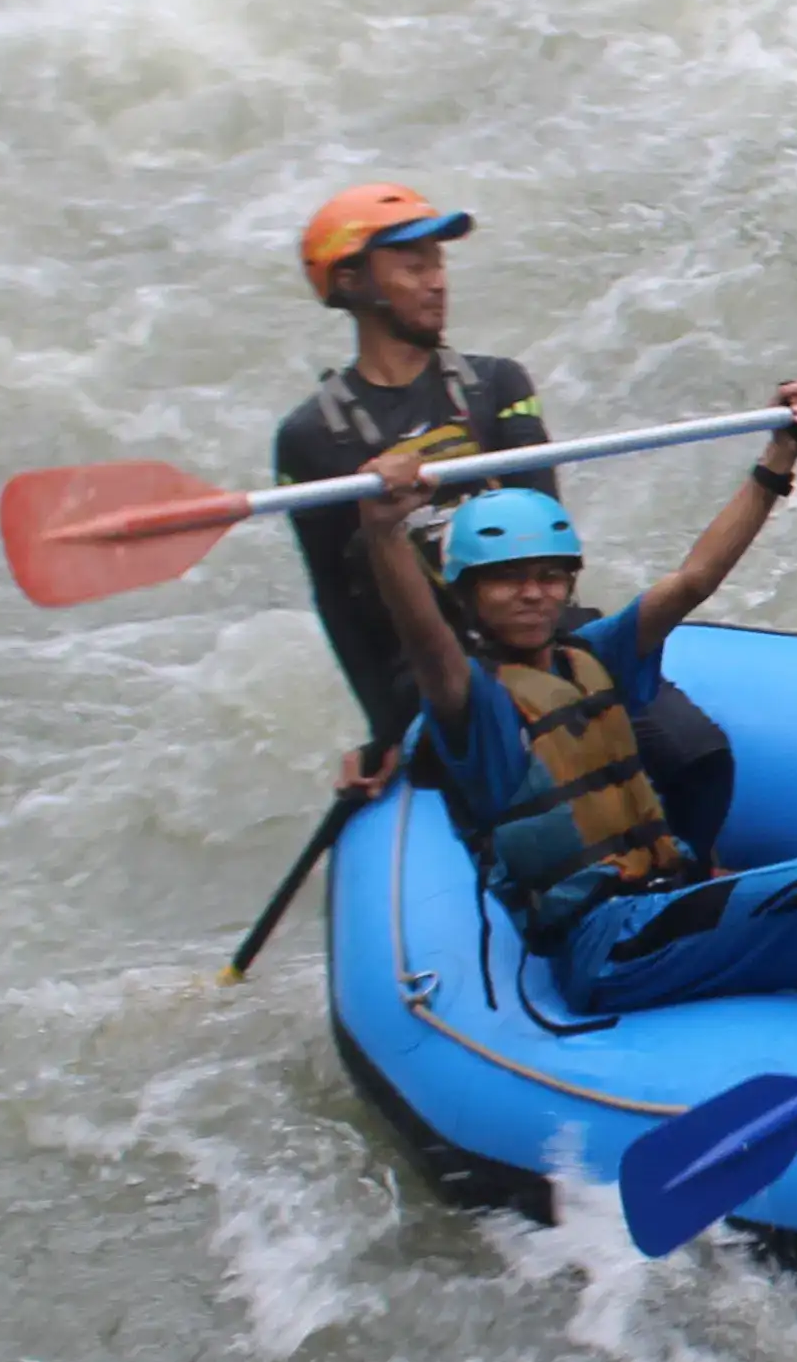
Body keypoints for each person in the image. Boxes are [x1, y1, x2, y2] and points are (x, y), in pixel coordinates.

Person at [353, 384, 797, 1020]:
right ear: (467, 594)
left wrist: (779, 460)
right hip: (606, 945)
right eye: (508, 580)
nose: (533, 594)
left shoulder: (590, 656)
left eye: (549, 576)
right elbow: (427, 644)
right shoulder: (479, 704)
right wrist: (384, 533)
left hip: (664, 904)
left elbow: (695, 579)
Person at [272, 179, 732, 855]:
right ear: (352, 280)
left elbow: (541, 533)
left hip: (535, 627)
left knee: (695, 754)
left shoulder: (498, 387)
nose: (436, 283)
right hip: (440, 672)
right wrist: (383, 730)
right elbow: (337, 601)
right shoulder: (313, 439)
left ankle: (681, 875)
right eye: (413, 265)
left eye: (439, 263)